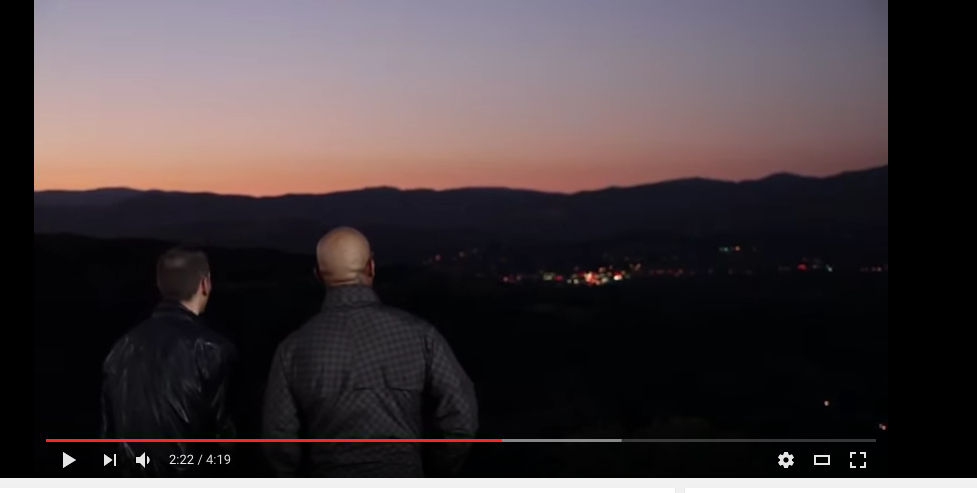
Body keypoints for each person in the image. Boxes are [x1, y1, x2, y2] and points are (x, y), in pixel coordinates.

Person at [262, 226, 478, 477]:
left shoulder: (292, 350)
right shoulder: (422, 336)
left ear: (318, 275)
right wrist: (433, 470)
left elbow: (278, 440)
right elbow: (462, 420)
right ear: (371, 267)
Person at [100, 245, 237, 477]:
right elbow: (226, 437)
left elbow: (108, 437)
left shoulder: (120, 348)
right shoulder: (213, 350)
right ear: (204, 284)